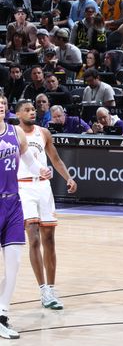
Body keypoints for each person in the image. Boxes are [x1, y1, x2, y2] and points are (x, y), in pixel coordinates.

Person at [15, 99, 77, 311]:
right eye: (27, 110)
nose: (32, 112)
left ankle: (51, 288)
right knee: (32, 238)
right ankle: (42, 289)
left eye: (33, 109)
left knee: (49, 239)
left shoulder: (44, 133)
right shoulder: (13, 133)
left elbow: (56, 159)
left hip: (43, 188)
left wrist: (68, 178)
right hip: (23, 188)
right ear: (17, 114)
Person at [0, 94, 51, 339]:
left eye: (2, 103)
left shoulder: (15, 132)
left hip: (12, 204)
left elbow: (27, 160)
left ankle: (2, 315)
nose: (0, 106)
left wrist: (41, 170)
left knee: (14, 265)